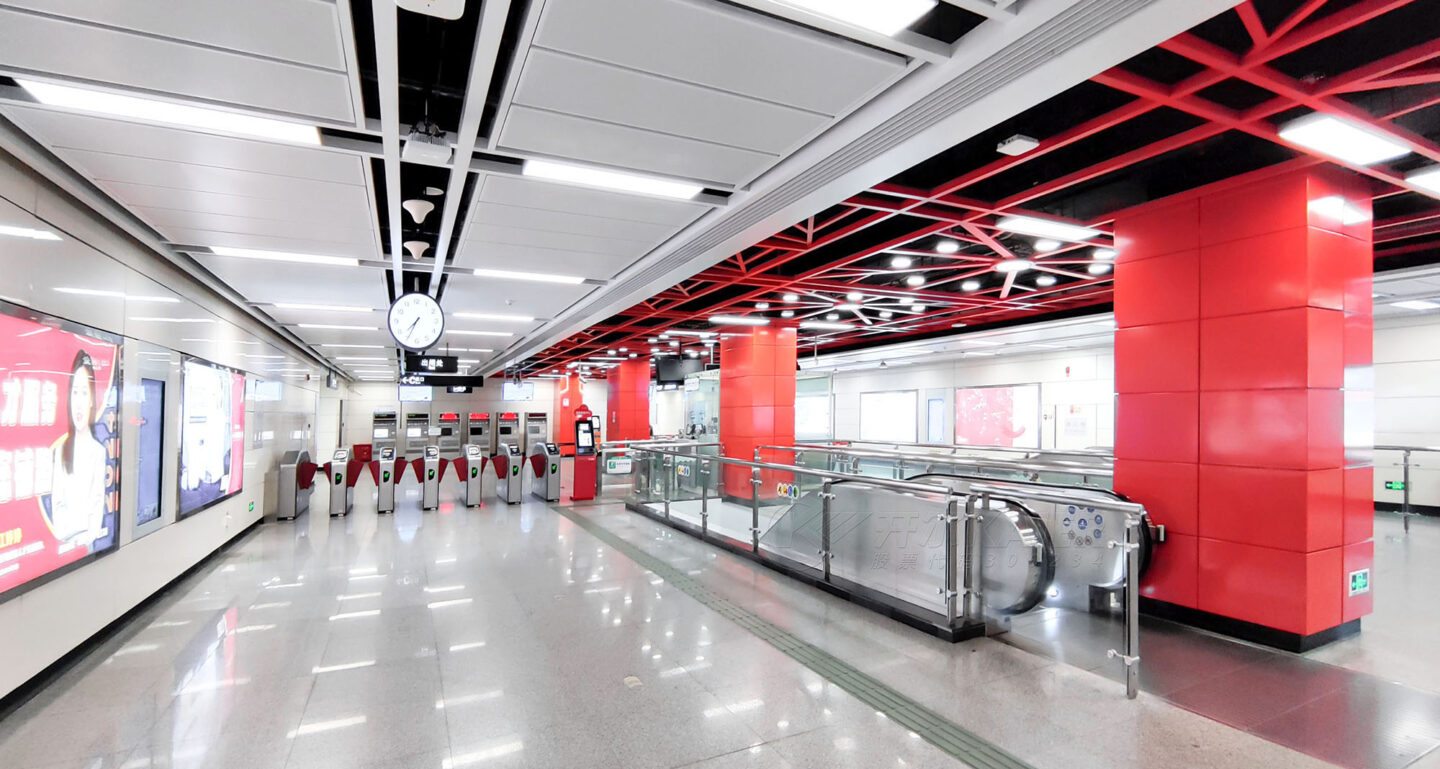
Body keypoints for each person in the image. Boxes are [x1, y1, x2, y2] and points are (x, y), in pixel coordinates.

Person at [49, 350, 107, 547]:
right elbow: (57, 505)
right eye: (75, 392)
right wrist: (71, 534)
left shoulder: (98, 452)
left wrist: (86, 535)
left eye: (84, 392)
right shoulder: (61, 450)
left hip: (87, 543)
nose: (79, 403)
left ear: (91, 399)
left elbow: (97, 502)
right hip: (64, 541)